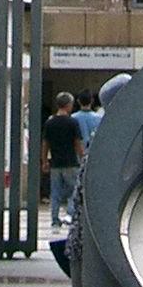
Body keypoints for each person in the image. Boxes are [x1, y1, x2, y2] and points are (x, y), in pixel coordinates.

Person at [42, 92, 86, 227]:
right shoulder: (72, 122)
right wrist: (83, 157)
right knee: (74, 190)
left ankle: (55, 219)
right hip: (71, 162)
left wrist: (44, 161)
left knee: (55, 193)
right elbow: (77, 143)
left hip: (55, 163)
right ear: (68, 105)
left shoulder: (50, 122)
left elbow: (45, 144)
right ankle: (69, 215)